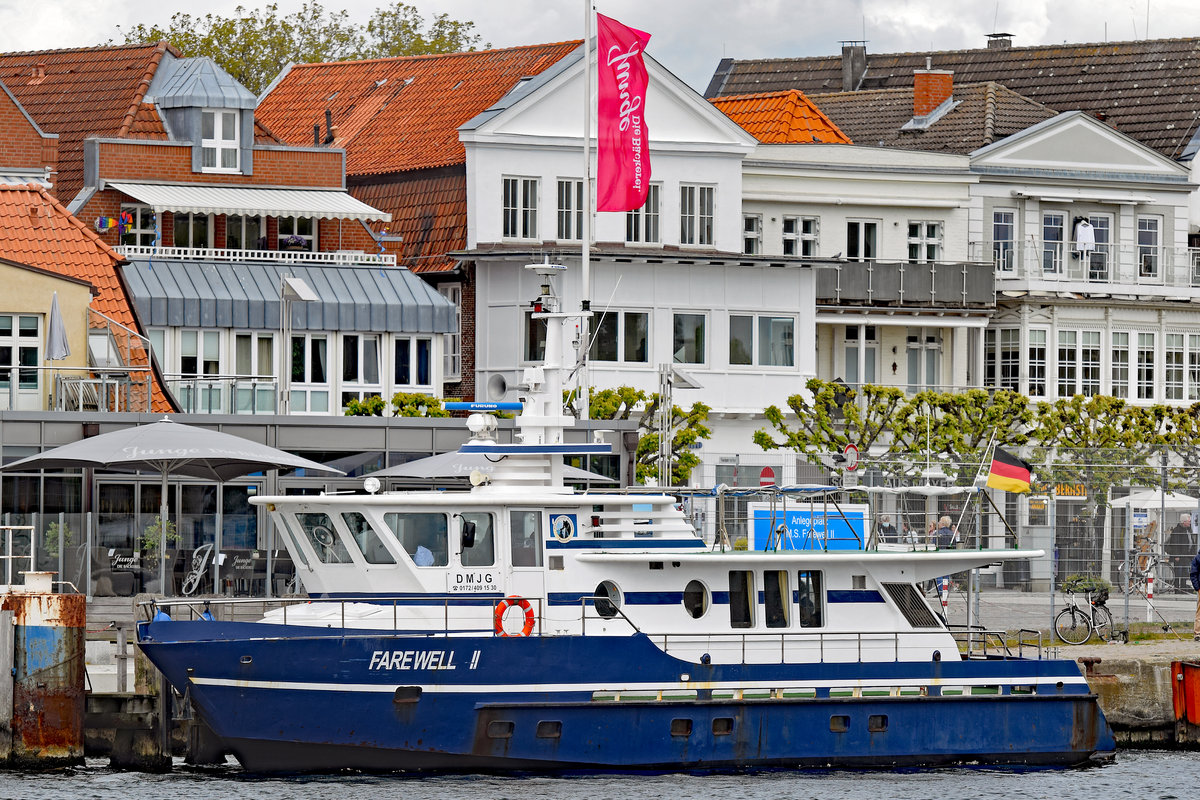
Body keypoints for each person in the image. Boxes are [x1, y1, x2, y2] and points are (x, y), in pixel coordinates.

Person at [1167, 514, 1193, 589]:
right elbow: (1174, 543)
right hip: (1179, 555)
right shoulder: (1177, 530)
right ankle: (1177, 588)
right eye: (1189, 521)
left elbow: (1191, 541)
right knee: (1178, 572)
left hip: (1186, 555)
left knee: (1185, 572)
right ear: (1183, 522)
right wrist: (1176, 555)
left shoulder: (1188, 530)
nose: (1190, 523)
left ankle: (1183, 587)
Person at [1191, 547, 1200, 641]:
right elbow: (1193, 574)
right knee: (1199, 612)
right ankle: (1197, 633)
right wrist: (1197, 587)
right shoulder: (1197, 558)